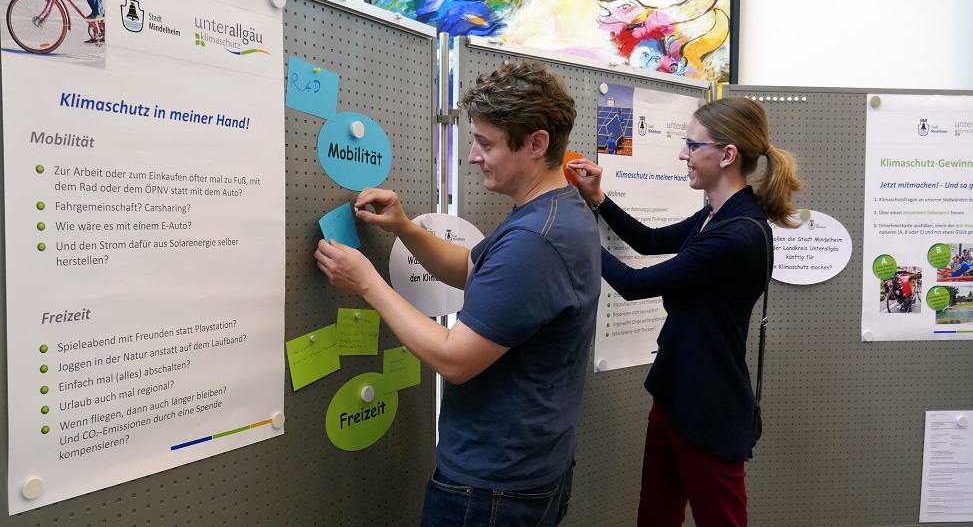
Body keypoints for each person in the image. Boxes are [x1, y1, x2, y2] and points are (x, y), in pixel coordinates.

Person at [314, 61, 601, 527]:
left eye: (485, 143)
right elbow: (471, 268)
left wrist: (367, 282)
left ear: (537, 144)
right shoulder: (557, 210)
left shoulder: (536, 240)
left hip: (494, 489)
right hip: (528, 468)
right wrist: (406, 228)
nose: (471, 156)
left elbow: (455, 359)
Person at [567, 97, 802, 527]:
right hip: (675, 392)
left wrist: (572, 234)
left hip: (709, 407)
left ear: (727, 154)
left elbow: (634, 285)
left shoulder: (739, 235)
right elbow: (647, 240)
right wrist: (596, 198)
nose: (682, 154)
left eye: (692, 145)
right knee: (656, 514)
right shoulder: (716, 215)